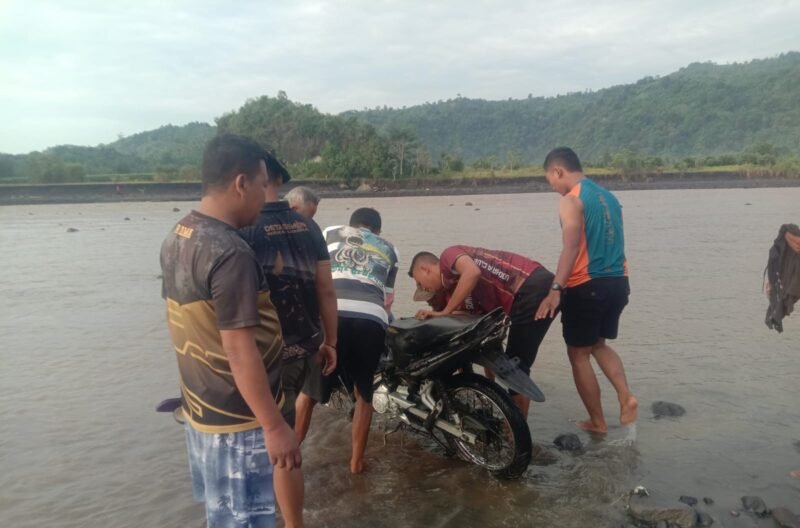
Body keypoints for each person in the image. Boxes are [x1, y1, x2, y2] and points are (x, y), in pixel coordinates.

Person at [160, 134, 302, 528]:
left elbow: (182, 321)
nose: (265, 197)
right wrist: (274, 426)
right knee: (246, 520)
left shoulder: (179, 234)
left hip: (203, 410)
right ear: (241, 183)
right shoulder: (230, 252)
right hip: (240, 421)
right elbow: (239, 350)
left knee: (222, 516)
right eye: (262, 185)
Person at [238, 159, 337, 527]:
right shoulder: (308, 225)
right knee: (286, 439)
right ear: (279, 180)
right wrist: (331, 341)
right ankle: (292, 519)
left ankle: (276, 516)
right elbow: (326, 289)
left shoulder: (244, 228)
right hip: (307, 347)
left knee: (264, 440)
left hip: (264, 356)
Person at [535, 147, 638, 434]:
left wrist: (556, 288)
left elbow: (570, 247)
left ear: (558, 171)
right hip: (619, 282)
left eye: (551, 180)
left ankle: (598, 423)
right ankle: (626, 396)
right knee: (598, 345)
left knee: (578, 354)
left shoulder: (571, 199)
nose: (553, 187)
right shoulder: (609, 197)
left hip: (587, 285)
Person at [295, 208, 399, 474]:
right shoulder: (390, 249)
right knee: (364, 393)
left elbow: (312, 276)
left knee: (309, 391)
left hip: (333, 314)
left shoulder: (330, 232)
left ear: (351, 223)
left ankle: (290, 455)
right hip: (371, 318)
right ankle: (356, 463)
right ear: (377, 231)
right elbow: (387, 301)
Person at [409, 246, 556, 417]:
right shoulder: (464, 292)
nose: (423, 288)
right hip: (534, 290)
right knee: (513, 364)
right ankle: (514, 421)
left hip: (530, 285)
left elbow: (472, 272)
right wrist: (488, 386)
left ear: (425, 269)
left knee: (515, 367)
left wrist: (445, 312)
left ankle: (519, 428)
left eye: (420, 283)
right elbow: (487, 338)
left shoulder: (448, 257)